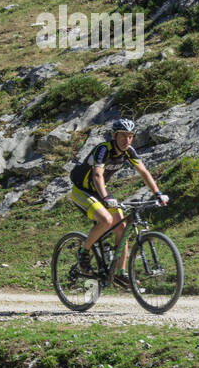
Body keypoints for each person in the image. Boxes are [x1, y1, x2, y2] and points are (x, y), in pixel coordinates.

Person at [68, 119, 168, 287]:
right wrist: (107, 198)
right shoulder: (103, 149)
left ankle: (120, 273)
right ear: (114, 136)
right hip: (82, 190)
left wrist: (157, 193)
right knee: (106, 220)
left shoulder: (129, 151)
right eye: (123, 136)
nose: (126, 140)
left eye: (130, 136)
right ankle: (83, 251)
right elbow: (97, 175)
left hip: (101, 191)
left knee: (122, 228)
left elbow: (144, 172)